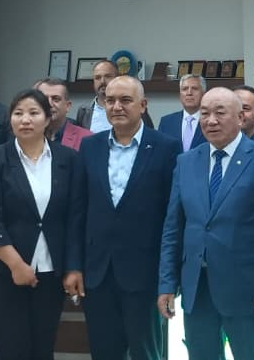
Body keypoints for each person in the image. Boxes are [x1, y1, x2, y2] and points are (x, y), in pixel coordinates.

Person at [158, 87, 254, 360]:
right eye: (204, 114)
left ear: (240, 117)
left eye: (219, 113)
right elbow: (173, 229)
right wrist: (167, 283)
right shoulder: (186, 162)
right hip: (197, 290)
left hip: (248, 293)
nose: (211, 120)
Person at [66, 77, 180, 360]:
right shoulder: (90, 147)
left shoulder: (166, 147)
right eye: (110, 100)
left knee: (146, 352)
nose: (117, 106)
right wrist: (74, 266)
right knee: (104, 352)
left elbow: (173, 217)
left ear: (143, 105)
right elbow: (78, 211)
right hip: (98, 273)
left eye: (125, 100)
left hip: (145, 274)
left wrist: (168, 277)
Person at [0, 88, 84, 360]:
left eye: (34, 113)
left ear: (47, 119)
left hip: (51, 271)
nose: (25, 119)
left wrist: (73, 267)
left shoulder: (68, 159)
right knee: (12, 348)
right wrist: (16, 265)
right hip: (4, 272)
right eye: (18, 113)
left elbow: (74, 218)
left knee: (43, 347)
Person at [33, 78, 94, 151]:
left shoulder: (87, 139)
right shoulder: (26, 135)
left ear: (67, 106)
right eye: (44, 99)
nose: (49, 104)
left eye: (56, 99)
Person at [158, 74, 208, 151]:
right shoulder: (166, 122)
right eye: (185, 89)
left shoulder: (211, 121)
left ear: (204, 94)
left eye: (194, 89)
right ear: (180, 94)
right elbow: (160, 150)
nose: (189, 93)